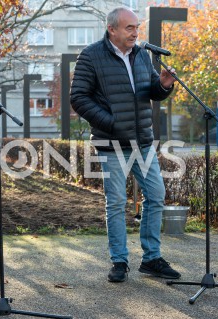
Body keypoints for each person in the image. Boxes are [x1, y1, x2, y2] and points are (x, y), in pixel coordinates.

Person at [70, 7, 181, 282]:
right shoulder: (91, 55)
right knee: (117, 202)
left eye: (137, 27)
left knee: (156, 196)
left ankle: (151, 258)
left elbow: (151, 91)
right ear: (112, 29)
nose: (135, 32)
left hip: (143, 141)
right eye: (130, 27)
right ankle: (119, 261)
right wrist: (111, 122)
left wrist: (165, 85)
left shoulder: (142, 54)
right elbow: (79, 98)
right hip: (111, 143)